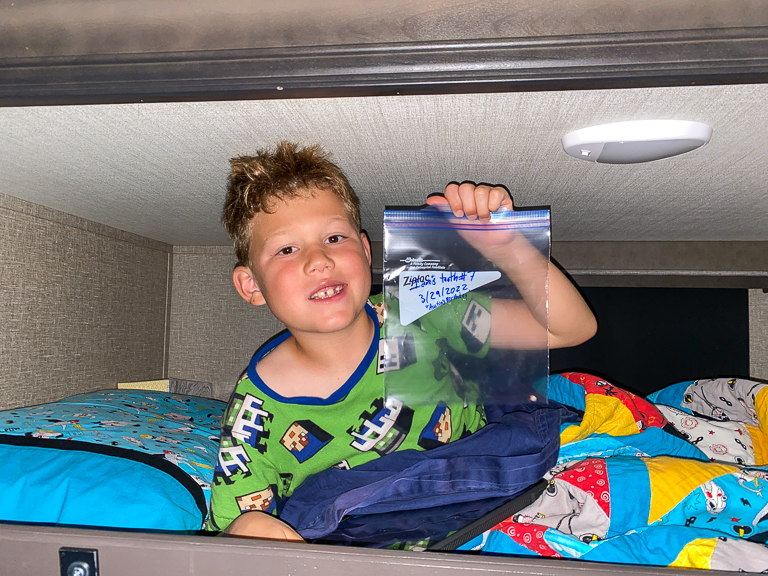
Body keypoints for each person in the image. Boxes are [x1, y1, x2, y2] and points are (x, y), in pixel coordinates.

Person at [207, 141, 597, 541]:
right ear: (251, 285)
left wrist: (509, 247)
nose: (319, 260)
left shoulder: (417, 309)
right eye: (287, 249)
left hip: (486, 496)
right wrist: (248, 527)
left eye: (335, 238)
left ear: (365, 250)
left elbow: (569, 330)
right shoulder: (253, 415)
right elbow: (227, 534)